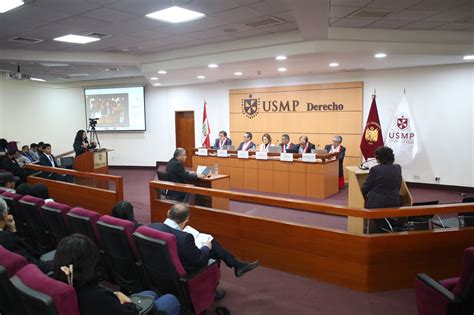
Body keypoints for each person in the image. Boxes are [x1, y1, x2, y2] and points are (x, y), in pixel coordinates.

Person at [52, 233, 179, 315]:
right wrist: (127, 302)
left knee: (151, 294)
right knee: (170, 299)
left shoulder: (59, 281)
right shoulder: (97, 298)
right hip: (120, 308)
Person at [149, 203, 259, 277]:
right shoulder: (184, 238)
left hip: (158, 267)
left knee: (213, 245)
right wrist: (206, 247)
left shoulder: (152, 227)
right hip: (182, 270)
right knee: (212, 246)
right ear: (186, 220)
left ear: (168, 213)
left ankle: (237, 266)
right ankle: (216, 283)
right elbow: (200, 260)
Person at [0, 198, 51, 273]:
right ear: (4, 215)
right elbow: (30, 262)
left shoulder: (6, 237)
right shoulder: (6, 239)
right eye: (7, 210)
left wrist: (13, 231)